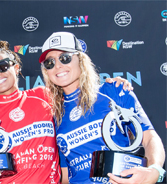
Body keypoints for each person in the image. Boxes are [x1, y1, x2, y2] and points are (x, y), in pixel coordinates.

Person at [39, 31, 166, 184]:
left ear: (80, 59)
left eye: (65, 58)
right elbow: (66, 175)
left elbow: (149, 138)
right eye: (50, 63)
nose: (58, 66)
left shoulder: (114, 90)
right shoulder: (53, 115)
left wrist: (154, 170)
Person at [0, 40, 61, 184]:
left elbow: (81, 98)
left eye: (2, 66)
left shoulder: (44, 96)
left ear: (16, 68)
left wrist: (108, 87)